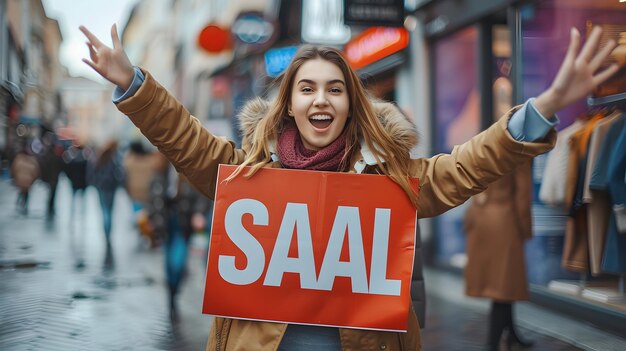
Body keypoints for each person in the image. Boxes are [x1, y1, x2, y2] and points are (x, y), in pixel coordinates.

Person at [79, 23, 618, 351]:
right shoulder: (247, 172)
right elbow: (186, 140)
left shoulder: (389, 175)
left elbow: (465, 167)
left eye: (335, 89)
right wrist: (132, 84)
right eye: (307, 88)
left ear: (350, 103)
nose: (321, 100)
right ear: (288, 102)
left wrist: (544, 108)